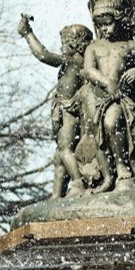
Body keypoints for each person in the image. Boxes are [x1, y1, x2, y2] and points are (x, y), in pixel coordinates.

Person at [83, 0, 135, 191]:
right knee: (98, 129)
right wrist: (106, 82)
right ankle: (108, 175)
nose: (104, 29)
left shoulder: (130, 45)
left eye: (108, 24)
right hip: (100, 96)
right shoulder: (93, 47)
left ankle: (122, 167)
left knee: (111, 122)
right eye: (101, 25)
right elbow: (88, 70)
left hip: (123, 96)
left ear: (118, 20)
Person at [17, 14, 92, 198]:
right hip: (68, 111)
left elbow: (43, 55)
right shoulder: (83, 63)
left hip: (67, 111)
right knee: (59, 155)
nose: (62, 46)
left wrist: (28, 34)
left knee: (65, 150)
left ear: (75, 44)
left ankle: (77, 184)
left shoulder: (73, 61)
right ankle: (57, 195)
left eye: (65, 42)